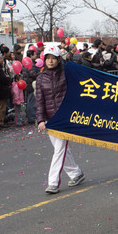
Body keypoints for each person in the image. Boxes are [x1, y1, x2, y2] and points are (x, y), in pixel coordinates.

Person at [36, 46, 85, 194]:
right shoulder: (40, 78)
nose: (50, 61)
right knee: (62, 150)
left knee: (59, 150)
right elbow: (40, 101)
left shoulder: (66, 74)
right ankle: (76, 174)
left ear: (58, 59)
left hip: (64, 118)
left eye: (53, 58)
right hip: (50, 120)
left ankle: (53, 183)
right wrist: (40, 120)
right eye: (48, 58)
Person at [0, 53, 11, 129]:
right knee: (0, 107)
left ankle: (0, 121)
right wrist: (8, 79)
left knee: (2, 107)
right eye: (1, 59)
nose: (2, 61)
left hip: (1, 90)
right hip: (0, 90)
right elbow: (3, 79)